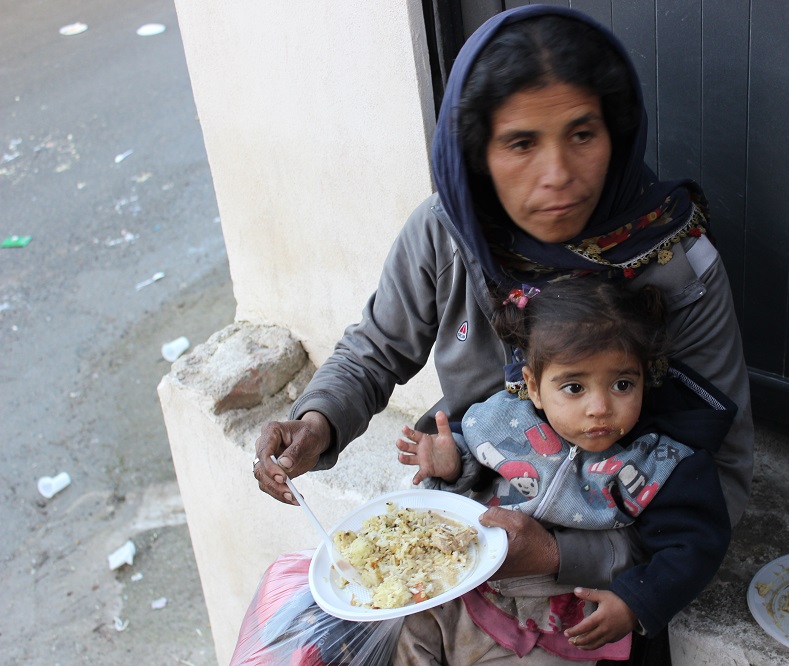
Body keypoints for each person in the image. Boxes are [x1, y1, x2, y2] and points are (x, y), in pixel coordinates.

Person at [252, 2, 753, 641]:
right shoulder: (447, 233)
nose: (558, 176)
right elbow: (377, 347)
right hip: (453, 537)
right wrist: (316, 423)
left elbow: (722, 477)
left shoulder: (673, 264)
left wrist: (561, 554)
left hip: (591, 584)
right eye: (520, 143)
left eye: (582, 134)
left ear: (618, 134)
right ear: (478, 153)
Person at [393, 278, 732, 664]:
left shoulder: (661, 462)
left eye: (622, 384)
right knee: (404, 634)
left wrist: (636, 602)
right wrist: (453, 464)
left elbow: (694, 546)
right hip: (469, 591)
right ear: (534, 386)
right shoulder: (504, 420)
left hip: (561, 625)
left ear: (645, 378)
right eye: (574, 388)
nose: (599, 408)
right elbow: (474, 457)